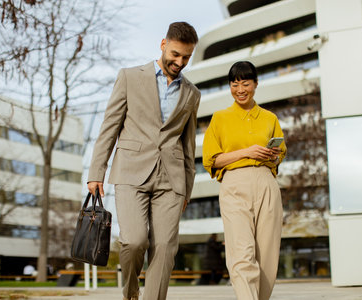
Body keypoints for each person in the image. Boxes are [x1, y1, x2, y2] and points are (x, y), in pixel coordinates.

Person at [87, 22, 200, 300]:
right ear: (163, 44)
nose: (180, 62)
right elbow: (110, 126)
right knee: (135, 241)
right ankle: (130, 292)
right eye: (175, 54)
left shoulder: (192, 93)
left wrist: (187, 187)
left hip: (172, 179)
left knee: (164, 246)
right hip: (130, 171)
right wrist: (96, 171)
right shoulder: (129, 77)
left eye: (186, 57)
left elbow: (188, 145)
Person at [202, 61, 286, 300]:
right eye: (234, 83)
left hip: (266, 183)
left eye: (245, 83)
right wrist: (246, 152)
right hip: (234, 184)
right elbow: (212, 160)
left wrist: (273, 155)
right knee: (241, 254)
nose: (240, 89)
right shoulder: (220, 118)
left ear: (255, 84)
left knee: (267, 258)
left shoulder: (270, 118)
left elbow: (280, 155)